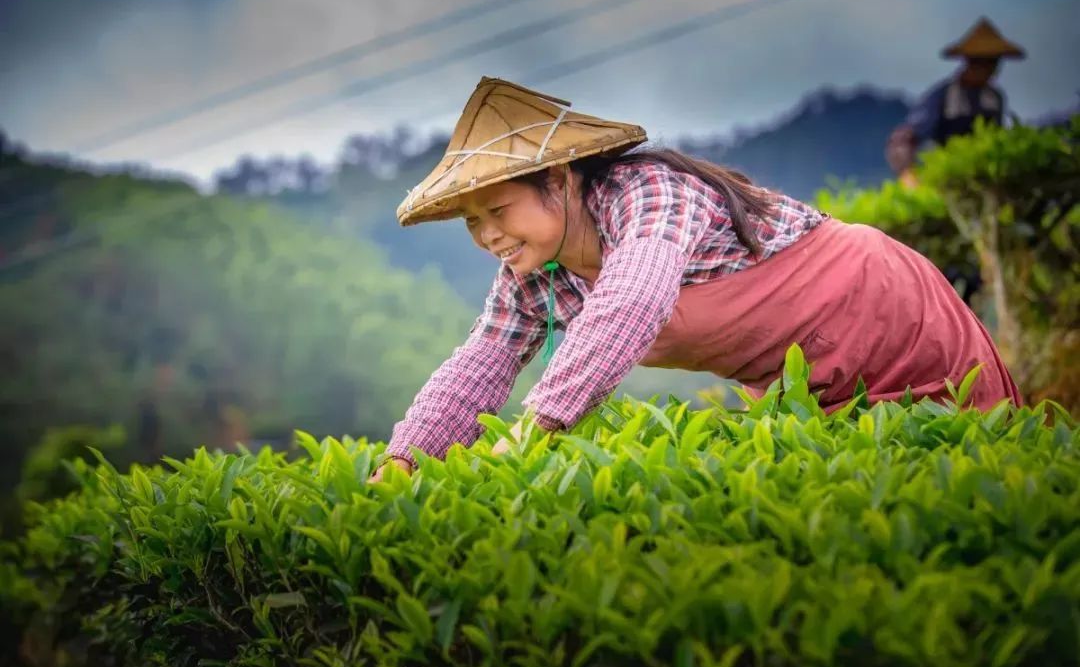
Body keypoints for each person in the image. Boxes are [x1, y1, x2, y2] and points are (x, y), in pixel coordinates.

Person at [371, 77, 1022, 481]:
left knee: (978, 457)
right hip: (798, 371)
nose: (488, 235)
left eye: (498, 211)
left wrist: (537, 426)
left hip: (876, 301)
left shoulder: (650, 193)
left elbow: (634, 297)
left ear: (559, 180)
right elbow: (481, 362)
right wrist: (403, 460)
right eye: (472, 222)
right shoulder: (533, 276)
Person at [886, 16, 1026, 186]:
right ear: (969, 62)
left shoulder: (994, 98)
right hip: (945, 180)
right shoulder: (942, 97)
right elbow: (903, 139)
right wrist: (908, 175)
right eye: (983, 63)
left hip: (984, 182)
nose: (990, 70)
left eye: (993, 63)